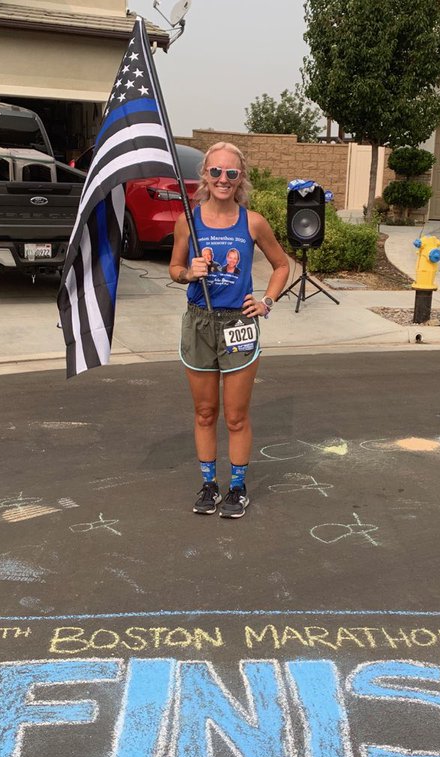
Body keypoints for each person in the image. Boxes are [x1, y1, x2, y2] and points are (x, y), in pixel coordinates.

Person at [169, 142, 289, 519]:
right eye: (216, 172)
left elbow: (282, 265)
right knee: (205, 412)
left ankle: (237, 487)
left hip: (239, 323)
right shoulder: (188, 221)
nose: (223, 179)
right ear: (204, 175)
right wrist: (190, 272)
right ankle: (209, 484)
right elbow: (173, 269)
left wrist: (266, 302)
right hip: (200, 322)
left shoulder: (252, 222)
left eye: (231, 173)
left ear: (241, 179)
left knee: (235, 417)